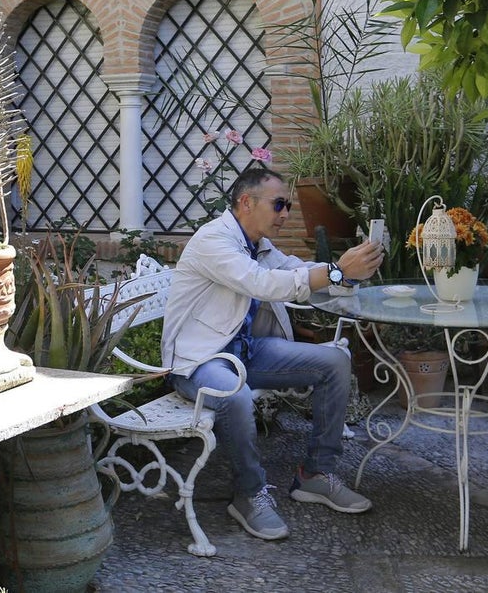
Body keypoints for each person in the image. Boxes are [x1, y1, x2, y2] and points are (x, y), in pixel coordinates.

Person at [161, 166, 384, 541]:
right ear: (246, 202)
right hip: (201, 359)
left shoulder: (258, 243)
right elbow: (262, 283)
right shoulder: (213, 240)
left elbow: (295, 270)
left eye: (288, 206)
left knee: (334, 361)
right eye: (279, 205)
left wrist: (345, 272)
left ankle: (315, 474)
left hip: (245, 352)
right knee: (235, 395)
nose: (286, 215)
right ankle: (248, 494)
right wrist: (333, 273)